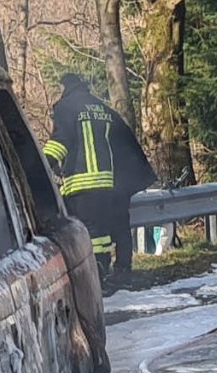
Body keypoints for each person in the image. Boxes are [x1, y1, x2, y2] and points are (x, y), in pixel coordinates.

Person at [42, 74, 153, 275]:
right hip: (111, 184)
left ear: (65, 88)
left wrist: (41, 165)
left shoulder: (67, 107)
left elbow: (60, 141)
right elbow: (124, 140)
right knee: (117, 226)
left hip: (83, 185)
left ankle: (98, 272)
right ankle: (122, 270)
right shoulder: (102, 108)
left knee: (92, 232)